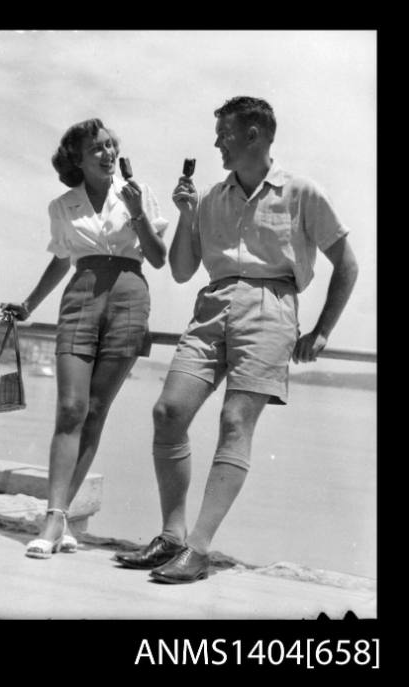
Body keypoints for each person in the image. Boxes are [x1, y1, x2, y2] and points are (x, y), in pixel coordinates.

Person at [114, 96, 359, 583]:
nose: (216, 144)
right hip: (212, 303)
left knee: (235, 421)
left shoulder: (302, 192)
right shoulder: (209, 197)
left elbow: (347, 264)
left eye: (223, 134)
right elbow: (183, 271)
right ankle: (172, 536)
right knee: (168, 412)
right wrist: (187, 213)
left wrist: (323, 330)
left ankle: (199, 550)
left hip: (272, 306)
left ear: (253, 135)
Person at [0, 117, 168, 559]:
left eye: (112, 145)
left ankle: (63, 516)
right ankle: (54, 517)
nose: (108, 153)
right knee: (71, 407)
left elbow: (159, 257)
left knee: (95, 411)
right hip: (80, 300)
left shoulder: (139, 193)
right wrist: (29, 305)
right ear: (77, 157)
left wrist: (135, 210)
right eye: (97, 148)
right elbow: (61, 259)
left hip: (130, 300)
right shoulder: (62, 206)